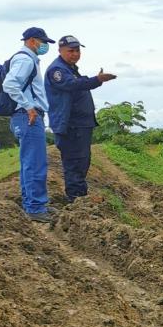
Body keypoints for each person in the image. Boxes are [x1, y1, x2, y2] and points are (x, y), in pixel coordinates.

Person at [45, 35, 116, 203]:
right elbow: (72, 85)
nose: (75, 54)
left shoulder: (70, 69)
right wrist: (96, 80)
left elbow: (78, 83)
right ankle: (76, 200)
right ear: (60, 51)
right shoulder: (57, 70)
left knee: (82, 162)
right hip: (70, 126)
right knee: (74, 163)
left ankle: (80, 198)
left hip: (81, 125)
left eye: (77, 50)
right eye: (71, 51)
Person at [5, 27, 56, 222]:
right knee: (35, 162)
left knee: (30, 162)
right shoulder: (25, 59)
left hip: (25, 117)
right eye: (43, 42)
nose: (45, 46)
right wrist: (28, 107)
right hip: (29, 117)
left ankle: (33, 204)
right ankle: (35, 208)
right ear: (33, 40)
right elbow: (9, 84)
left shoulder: (28, 59)